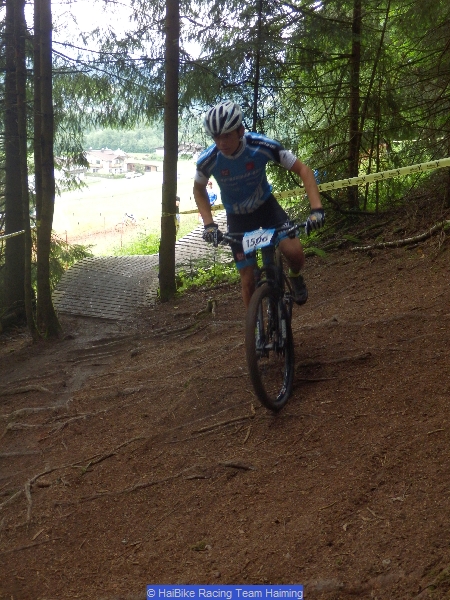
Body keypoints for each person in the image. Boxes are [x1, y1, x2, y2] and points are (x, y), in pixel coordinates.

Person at [193, 100, 325, 308]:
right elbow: (198, 189)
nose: (221, 143)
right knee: (247, 280)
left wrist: (316, 210)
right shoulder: (209, 160)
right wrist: (209, 225)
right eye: (216, 137)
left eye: (226, 136)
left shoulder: (261, 146)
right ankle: (254, 326)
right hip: (238, 217)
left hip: (266, 208)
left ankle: (294, 275)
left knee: (295, 254)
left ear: (240, 131)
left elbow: (304, 170)